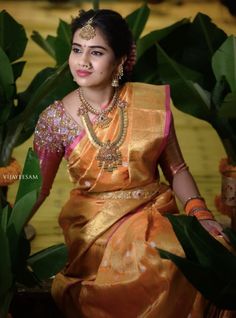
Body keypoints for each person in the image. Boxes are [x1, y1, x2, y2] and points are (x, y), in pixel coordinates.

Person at [33, 9, 225, 318]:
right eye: (76, 49)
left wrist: (200, 213)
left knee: (208, 254)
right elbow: (36, 187)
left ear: (120, 60)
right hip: (94, 231)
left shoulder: (149, 105)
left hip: (153, 213)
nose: (82, 61)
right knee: (166, 258)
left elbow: (176, 169)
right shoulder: (53, 120)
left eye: (96, 52)